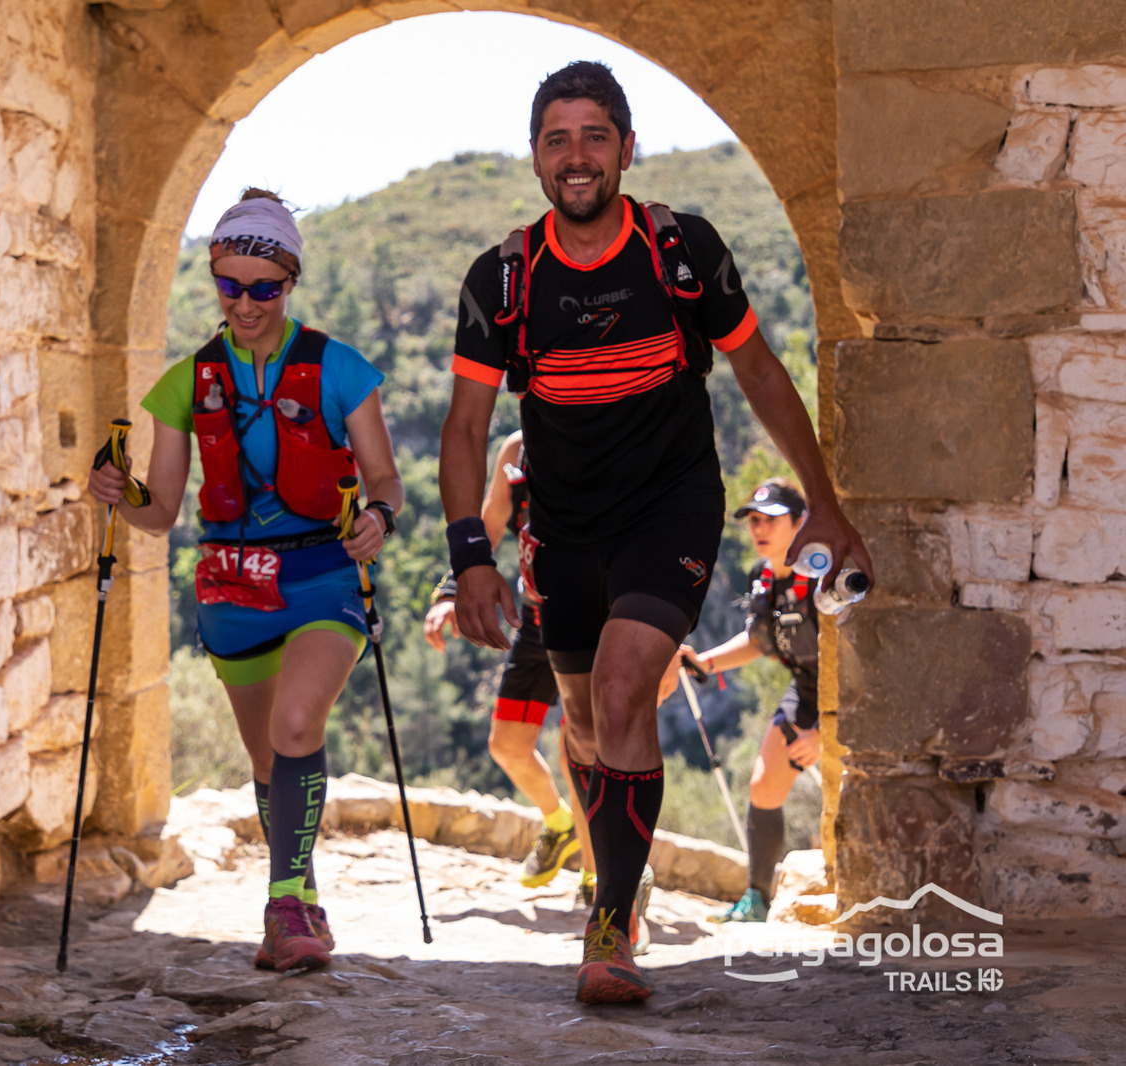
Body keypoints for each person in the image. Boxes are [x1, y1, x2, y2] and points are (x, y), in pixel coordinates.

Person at [437, 61, 872, 1004]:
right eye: (557, 139)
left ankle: (610, 927)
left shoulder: (682, 250)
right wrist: (469, 555)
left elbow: (759, 372)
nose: (577, 156)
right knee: (586, 722)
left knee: (625, 690)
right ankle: (616, 880)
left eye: (595, 136)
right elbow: (467, 427)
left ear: (627, 149)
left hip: (669, 507)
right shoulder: (503, 277)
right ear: (536, 158)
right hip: (561, 526)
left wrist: (823, 501)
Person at [88, 188, 403, 973]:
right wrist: (118, 493)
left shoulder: (339, 368)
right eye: (230, 285)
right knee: (268, 761)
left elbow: (386, 478)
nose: (246, 302)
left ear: (290, 281)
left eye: (264, 288)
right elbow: (161, 510)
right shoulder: (185, 382)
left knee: (296, 725)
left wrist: (379, 518)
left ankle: (283, 906)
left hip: (324, 575)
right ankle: (301, 894)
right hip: (233, 589)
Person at [423, 431, 654, 953]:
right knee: (507, 744)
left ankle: (602, 884)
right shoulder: (517, 448)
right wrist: (455, 589)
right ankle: (559, 823)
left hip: (597, 619)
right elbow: (490, 523)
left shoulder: (611, 433)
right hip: (535, 617)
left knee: (582, 749)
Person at [657, 479, 820, 924]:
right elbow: (759, 641)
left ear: (800, 523)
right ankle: (756, 900)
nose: (759, 529)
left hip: (850, 696)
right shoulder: (762, 577)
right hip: (806, 689)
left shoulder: (823, 578)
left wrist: (828, 731)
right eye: (753, 520)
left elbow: (861, 659)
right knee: (764, 785)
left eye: (771, 520)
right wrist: (704, 662)